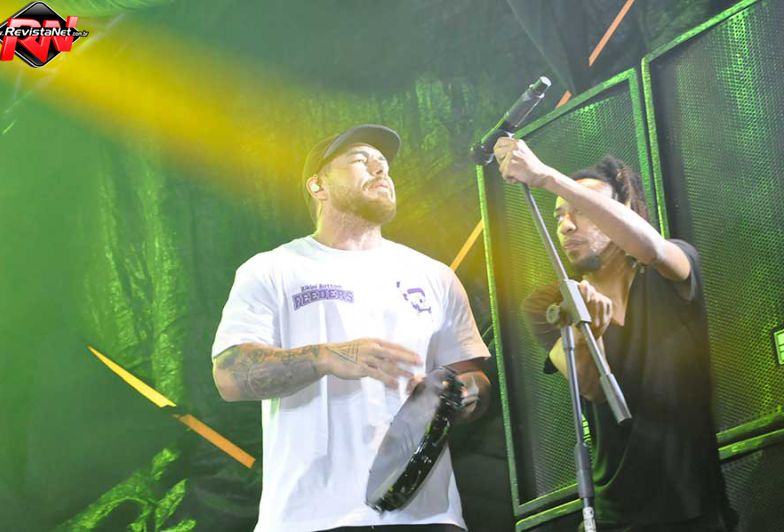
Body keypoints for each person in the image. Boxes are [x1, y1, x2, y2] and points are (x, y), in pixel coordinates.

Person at [211, 124, 491, 532]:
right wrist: (327, 357)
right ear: (318, 185)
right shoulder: (273, 269)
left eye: (384, 163)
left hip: (428, 515)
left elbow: (472, 375)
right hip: (309, 518)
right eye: (361, 160)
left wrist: (465, 393)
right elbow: (229, 376)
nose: (380, 169)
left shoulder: (434, 276)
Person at [494, 137, 735, 531]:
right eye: (559, 216)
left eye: (582, 209)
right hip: (614, 515)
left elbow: (651, 248)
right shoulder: (550, 302)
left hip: (694, 505)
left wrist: (547, 178)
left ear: (620, 211)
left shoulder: (672, 265)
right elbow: (590, 387)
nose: (566, 224)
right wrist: (589, 331)